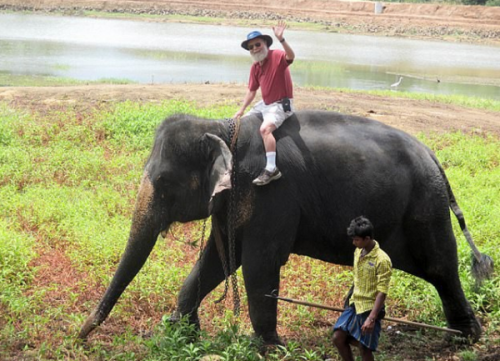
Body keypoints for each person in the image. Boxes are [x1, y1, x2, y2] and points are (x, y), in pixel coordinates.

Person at [234, 20, 295, 186]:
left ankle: (271, 168)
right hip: (265, 103)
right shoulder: (255, 67)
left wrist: (282, 39)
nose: (255, 48)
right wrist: (241, 110)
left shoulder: (277, 56)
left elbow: (291, 56)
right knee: (242, 122)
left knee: (265, 129)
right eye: (251, 47)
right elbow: (252, 91)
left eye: (257, 44)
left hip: (280, 104)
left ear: (266, 44)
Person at [332, 216, 392, 361]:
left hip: (369, 308)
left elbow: (382, 292)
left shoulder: (382, 260)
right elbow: (357, 278)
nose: (354, 243)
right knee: (338, 338)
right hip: (354, 303)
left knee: (365, 348)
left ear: (367, 238)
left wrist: (371, 318)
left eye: (357, 240)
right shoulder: (358, 252)